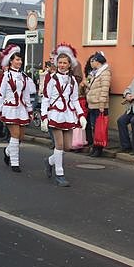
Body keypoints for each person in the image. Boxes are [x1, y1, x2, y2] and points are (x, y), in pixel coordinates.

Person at [40, 43, 87, 186]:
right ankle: (60, 174)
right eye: (59, 62)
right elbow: (46, 97)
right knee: (59, 144)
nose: (61, 65)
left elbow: (74, 99)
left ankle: (49, 161)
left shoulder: (72, 80)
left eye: (64, 63)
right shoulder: (51, 78)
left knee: (67, 146)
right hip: (55, 114)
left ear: (69, 64)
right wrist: (44, 117)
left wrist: (81, 115)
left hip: (68, 114)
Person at [0, 45, 36, 172]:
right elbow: (1, 93)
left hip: (22, 109)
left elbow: (26, 95)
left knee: (20, 137)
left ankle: (8, 151)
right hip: (10, 108)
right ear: (11, 61)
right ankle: (15, 163)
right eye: (17, 60)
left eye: (20, 60)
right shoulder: (5, 75)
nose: (19, 62)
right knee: (15, 134)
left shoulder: (24, 76)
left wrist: (30, 111)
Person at [83, 51, 111, 157]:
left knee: (99, 128)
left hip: (99, 104)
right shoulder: (94, 73)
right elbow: (90, 85)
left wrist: (102, 105)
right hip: (92, 103)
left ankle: (99, 148)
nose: (91, 63)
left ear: (98, 62)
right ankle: (95, 146)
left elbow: (104, 89)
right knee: (94, 126)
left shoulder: (105, 73)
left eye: (92, 61)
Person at [117, 59, 134, 155]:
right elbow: (128, 88)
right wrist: (127, 94)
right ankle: (126, 146)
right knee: (121, 121)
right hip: (131, 108)